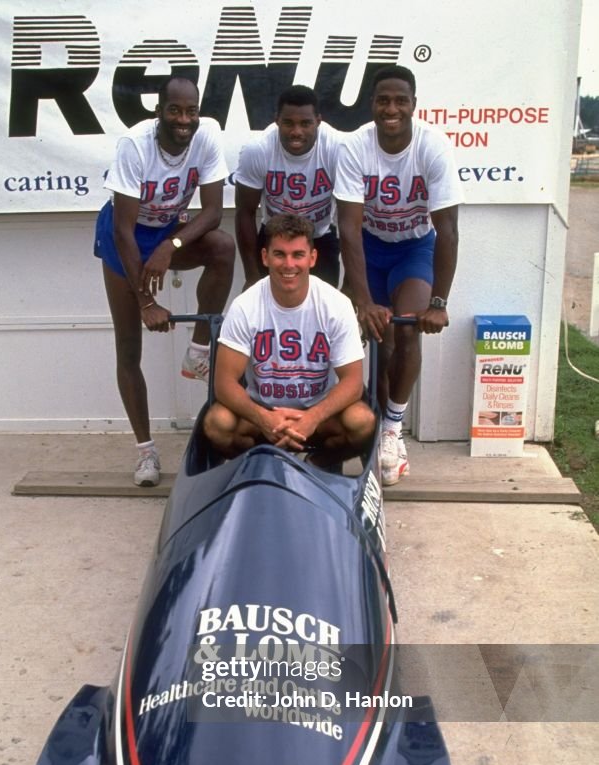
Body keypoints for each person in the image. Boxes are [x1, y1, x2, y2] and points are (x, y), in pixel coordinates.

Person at [94, 76, 235, 486]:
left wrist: (170, 245)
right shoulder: (135, 145)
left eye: (191, 110)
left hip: (167, 233)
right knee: (128, 347)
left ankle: (198, 349)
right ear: (160, 111)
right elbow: (123, 231)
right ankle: (146, 453)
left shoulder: (206, 137)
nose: (184, 119)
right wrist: (146, 302)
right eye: (175, 110)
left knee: (222, 248)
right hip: (125, 237)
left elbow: (211, 212)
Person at [335, 65, 462, 486]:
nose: (391, 109)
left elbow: (448, 231)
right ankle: (344, 428)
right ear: (372, 105)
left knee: (407, 330)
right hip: (368, 248)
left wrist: (440, 303)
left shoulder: (433, 146)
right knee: (374, 340)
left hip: (413, 247)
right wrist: (363, 298)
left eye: (400, 101)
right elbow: (349, 229)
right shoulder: (356, 146)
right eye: (383, 100)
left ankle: (391, 430)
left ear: (413, 104)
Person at [203, 214, 375, 466]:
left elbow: (352, 382)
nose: (288, 264)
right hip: (262, 411)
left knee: (362, 421)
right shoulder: (244, 306)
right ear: (265, 257)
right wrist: (263, 418)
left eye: (298, 255)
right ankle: (259, 464)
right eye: (280, 254)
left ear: (312, 258)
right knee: (217, 424)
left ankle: (317, 463)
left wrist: (313, 418)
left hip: (319, 411)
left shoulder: (336, 305)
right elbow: (224, 383)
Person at [234, 85, 341, 289]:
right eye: (288, 123)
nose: (296, 132)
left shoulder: (338, 147)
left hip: (320, 237)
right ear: (277, 120)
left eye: (305, 123)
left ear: (318, 121)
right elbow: (245, 213)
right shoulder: (257, 149)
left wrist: (351, 283)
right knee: (268, 313)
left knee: (322, 311)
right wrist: (251, 275)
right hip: (275, 238)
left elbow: (351, 216)